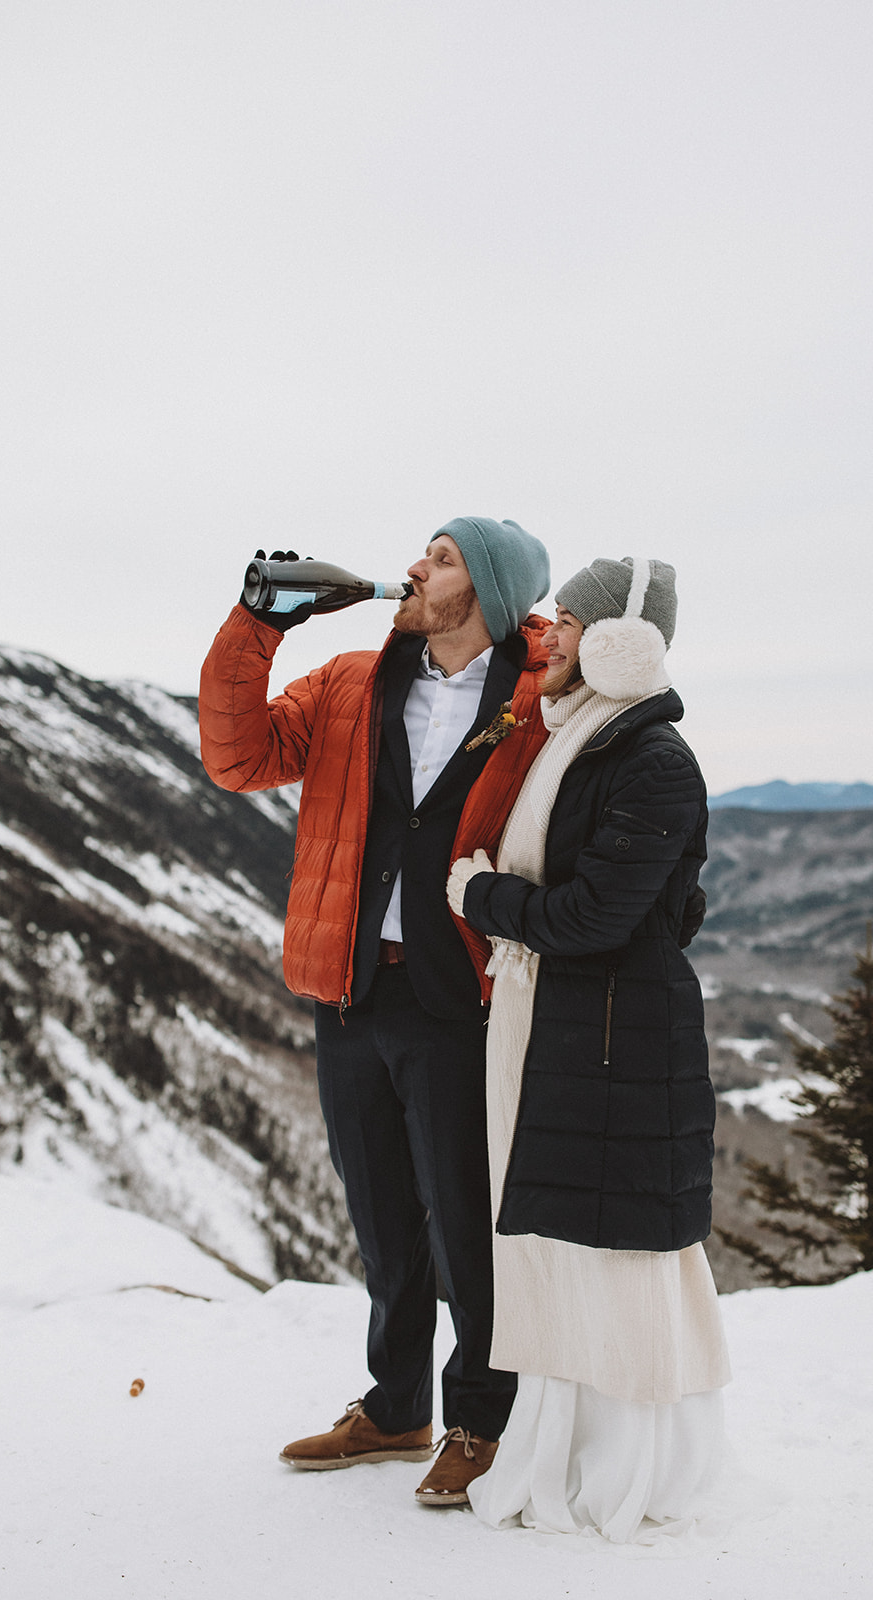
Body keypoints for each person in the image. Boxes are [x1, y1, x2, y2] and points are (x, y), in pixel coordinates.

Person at [198, 516, 551, 1505]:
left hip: (459, 996)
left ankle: (482, 1417)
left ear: (485, 588)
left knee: (465, 1222)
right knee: (381, 1216)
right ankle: (395, 1408)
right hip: (349, 987)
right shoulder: (353, 679)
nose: (411, 565)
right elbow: (238, 758)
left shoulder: (534, 699)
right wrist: (256, 628)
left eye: (439, 558)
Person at [446, 555, 731, 1543]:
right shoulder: (587, 739)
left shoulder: (648, 757)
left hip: (608, 1035)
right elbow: (664, 902)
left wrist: (482, 899)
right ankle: (564, 1448)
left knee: (607, 1246)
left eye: (568, 621)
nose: (549, 635)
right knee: (559, 1239)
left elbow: (600, 914)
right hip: (573, 1024)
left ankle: (617, 1465)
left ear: (617, 639)